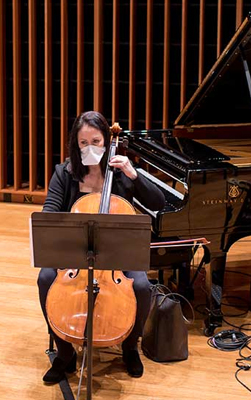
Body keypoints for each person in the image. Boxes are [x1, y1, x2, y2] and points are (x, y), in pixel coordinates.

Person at [37, 111, 165, 383]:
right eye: (83, 143)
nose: (90, 148)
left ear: (107, 140)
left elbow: (158, 202)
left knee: (141, 285)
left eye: (96, 141)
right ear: (75, 144)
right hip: (74, 253)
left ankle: (130, 346)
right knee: (45, 277)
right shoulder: (65, 172)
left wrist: (134, 174)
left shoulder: (120, 171)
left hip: (116, 254)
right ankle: (65, 352)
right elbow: (50, 212)